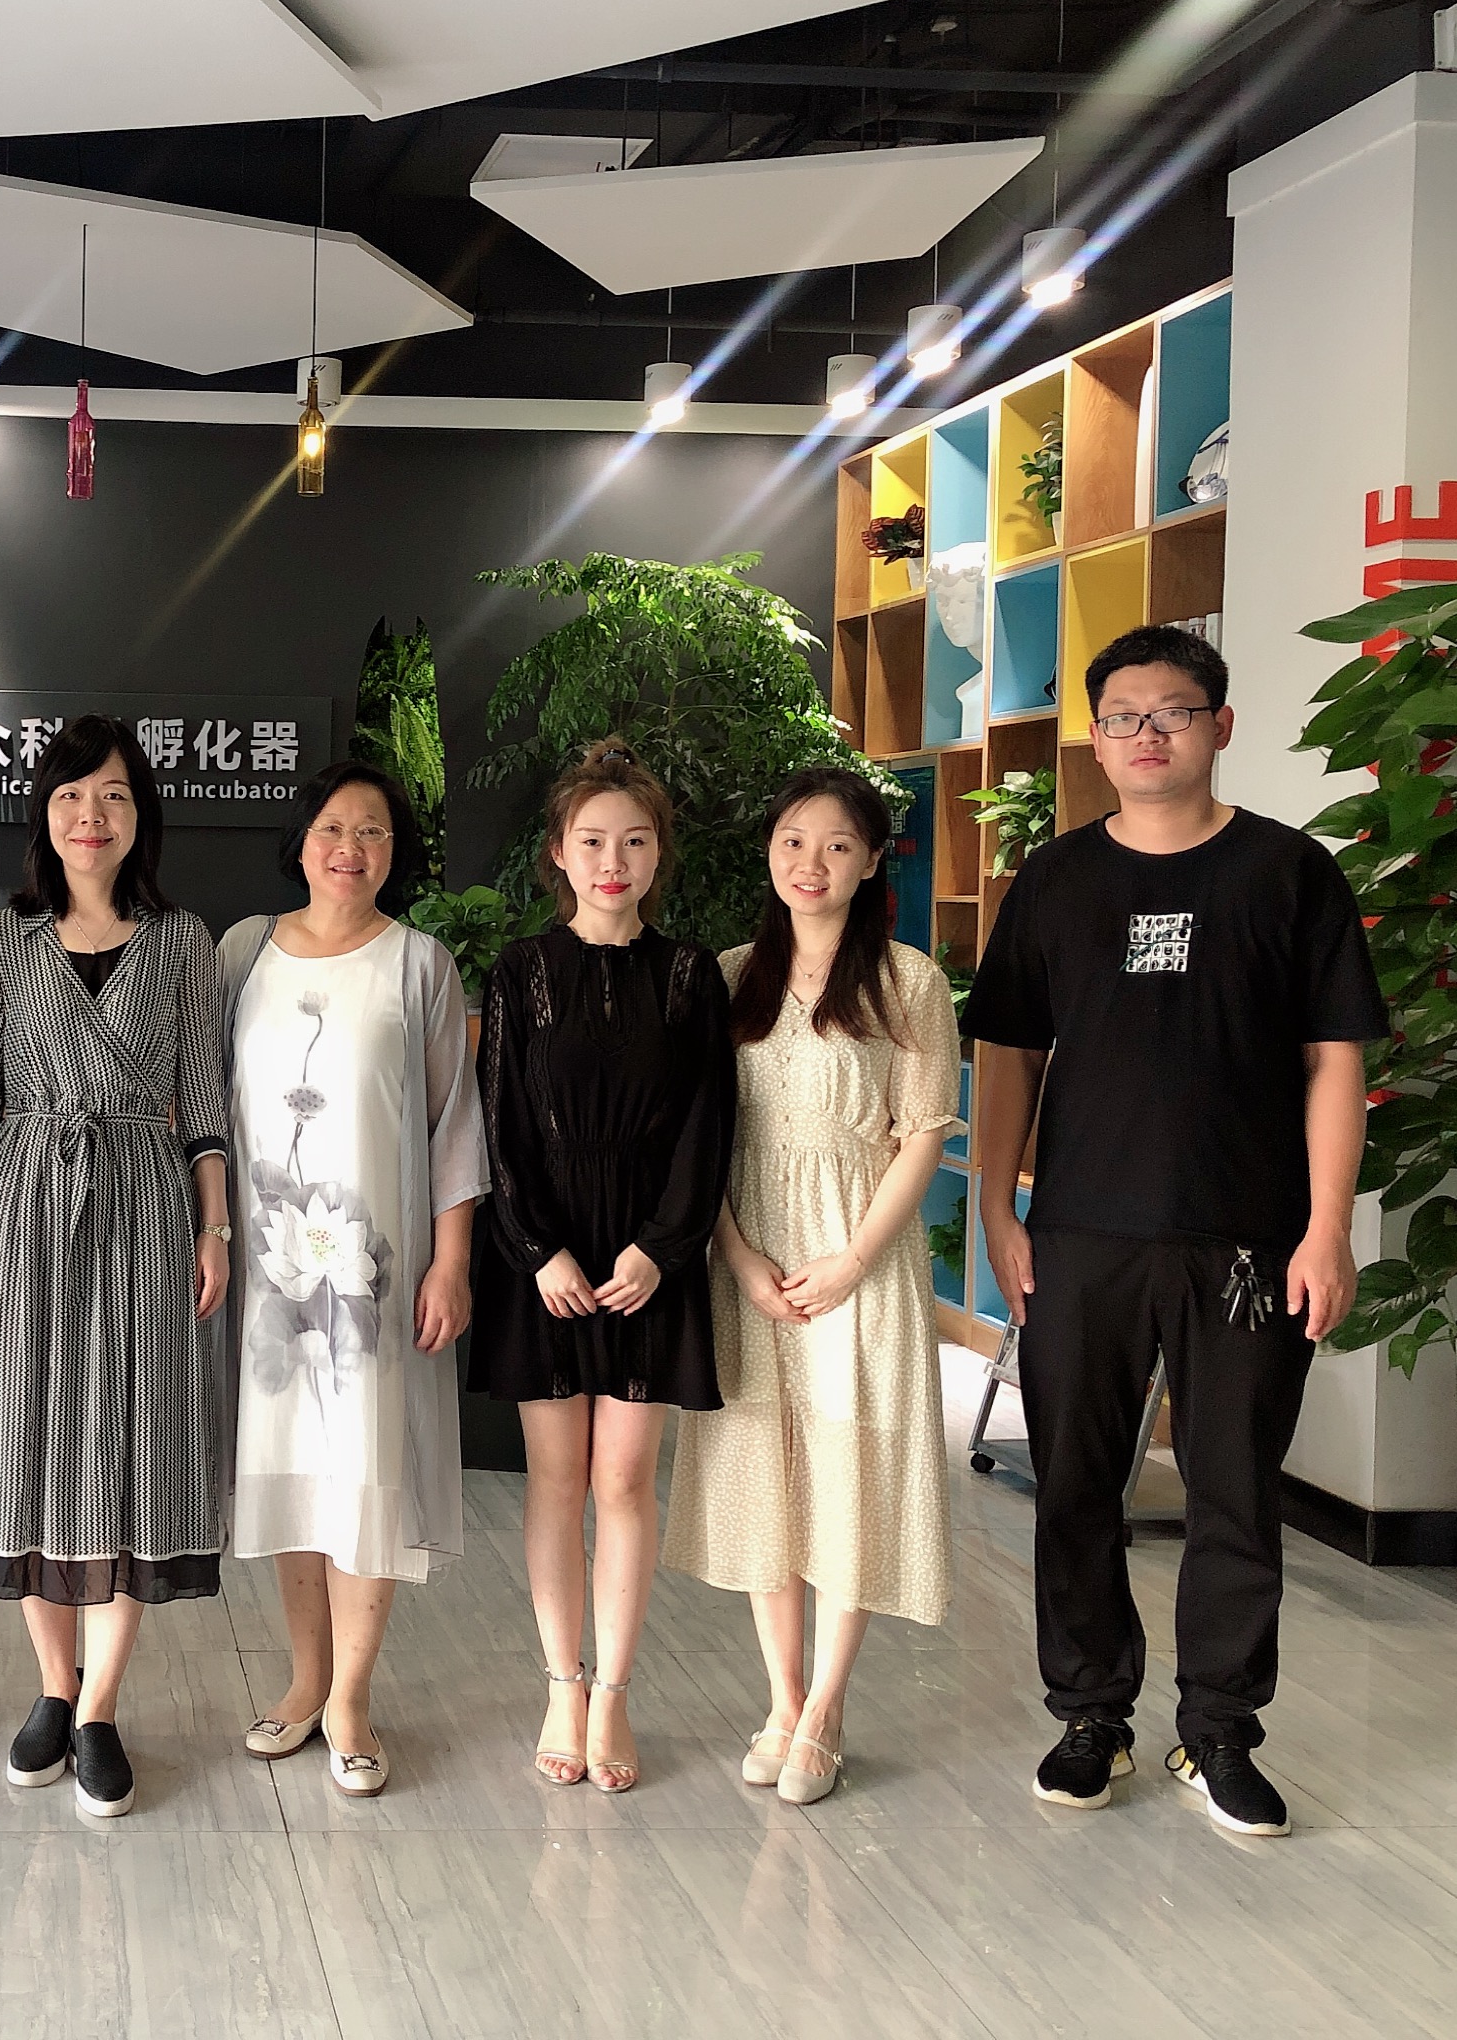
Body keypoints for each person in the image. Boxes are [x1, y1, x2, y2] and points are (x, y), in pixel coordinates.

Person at [966, 624, 1386, 1838]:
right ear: (1096, 741)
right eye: (1123, 718)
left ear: (1220, 727)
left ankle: (1220, 1730)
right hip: (1081, 1234)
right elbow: (1010, 1053)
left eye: (1173, 713)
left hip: (1247, 1238)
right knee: (1074, 1487)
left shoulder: (1287, 874)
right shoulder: (1056, 881)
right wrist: (996, 1205)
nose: (1147, 735)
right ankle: (1091, 1715)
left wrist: (1326, 1228)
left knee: (1236, 1492)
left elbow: (1333, 1062)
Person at [0, 717, 233, 1820]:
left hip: (146, 1204)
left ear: (139, 814)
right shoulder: (4, 940)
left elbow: (202, 1098)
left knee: (134, 1439)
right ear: (44, 815)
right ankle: (51, 1689)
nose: (91, 816)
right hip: (22, 1205)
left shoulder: (184, 940)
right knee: (27, 1436)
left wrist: (215, 1227)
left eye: (111, 795)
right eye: (70, 796)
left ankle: (100, 1707)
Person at [661, 768, 959, 1807]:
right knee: (767, 1468)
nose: (811, 863)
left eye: (836, 845)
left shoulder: (909, 983)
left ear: (872, 861)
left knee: (848, 1469)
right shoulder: (728, 976)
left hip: (857, 1257)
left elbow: (922, 1135)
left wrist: (854, 1259)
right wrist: (740, 1258)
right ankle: (781, 1699)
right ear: (769, 852)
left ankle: (827, 1708)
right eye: (792, 840)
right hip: (749, 1255)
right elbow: (701, 1140)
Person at [469, 740, 734, 1795]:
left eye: (633, 841)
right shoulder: (520, 971)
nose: (612, 861)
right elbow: (498, 1125)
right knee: (557, 1479)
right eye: (591, 842)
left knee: (624, 1479)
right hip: (548, 1260)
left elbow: (710, 1126)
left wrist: (661, 1249)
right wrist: (538, 1252)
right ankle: (561, 1685)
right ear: (558, 853)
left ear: (659, 853)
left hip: (647, 1259)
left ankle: (614, 1693)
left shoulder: (691, 975)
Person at [223, 760, 487, 1798]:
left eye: (373, 831)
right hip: (268, 1273)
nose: (350, 848)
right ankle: (304, 1680)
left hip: (378, 1273)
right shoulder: (242, 951)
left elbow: (455, 1124)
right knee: (292, 1472)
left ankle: (351, 1700)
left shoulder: (420, 964)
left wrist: (452, 1262)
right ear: (300, 840)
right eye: (332, 827)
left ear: (394, 852)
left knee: (367, 1472)